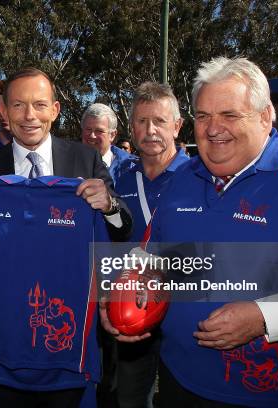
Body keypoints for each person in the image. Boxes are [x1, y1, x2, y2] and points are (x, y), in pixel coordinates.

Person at [102, 57, 278, 407]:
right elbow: (149, 254)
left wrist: (264, 318)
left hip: (264, 392)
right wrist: (124, 286)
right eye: (203, 116)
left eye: (229, 115)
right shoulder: (183, 178)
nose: (213, 129)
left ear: (264, 115)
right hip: (177, 379)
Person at [0, 67, 132, 407]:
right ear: (3, 112)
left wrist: (109, 205)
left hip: (69, 337)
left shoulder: (85, 159)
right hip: (6, 335)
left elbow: (121, 231)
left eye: (39, 105)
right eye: (18, 105)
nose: (29, 115)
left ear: (55, 110)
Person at [111, 82, 190, 408]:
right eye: (141, 122)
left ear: (177, 125)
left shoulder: (199, 175)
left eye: (159, 121)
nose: (150, 130)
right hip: (132, 309)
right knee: (130, 397)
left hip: (184, 310)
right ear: (131, 127)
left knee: (179, 396)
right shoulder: (120, 178)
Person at [80, 103, 133, 184]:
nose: (92, 135)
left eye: (99, 131)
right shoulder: (66, 163)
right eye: (88, 129)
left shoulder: (131, 168)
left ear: (112, 135)